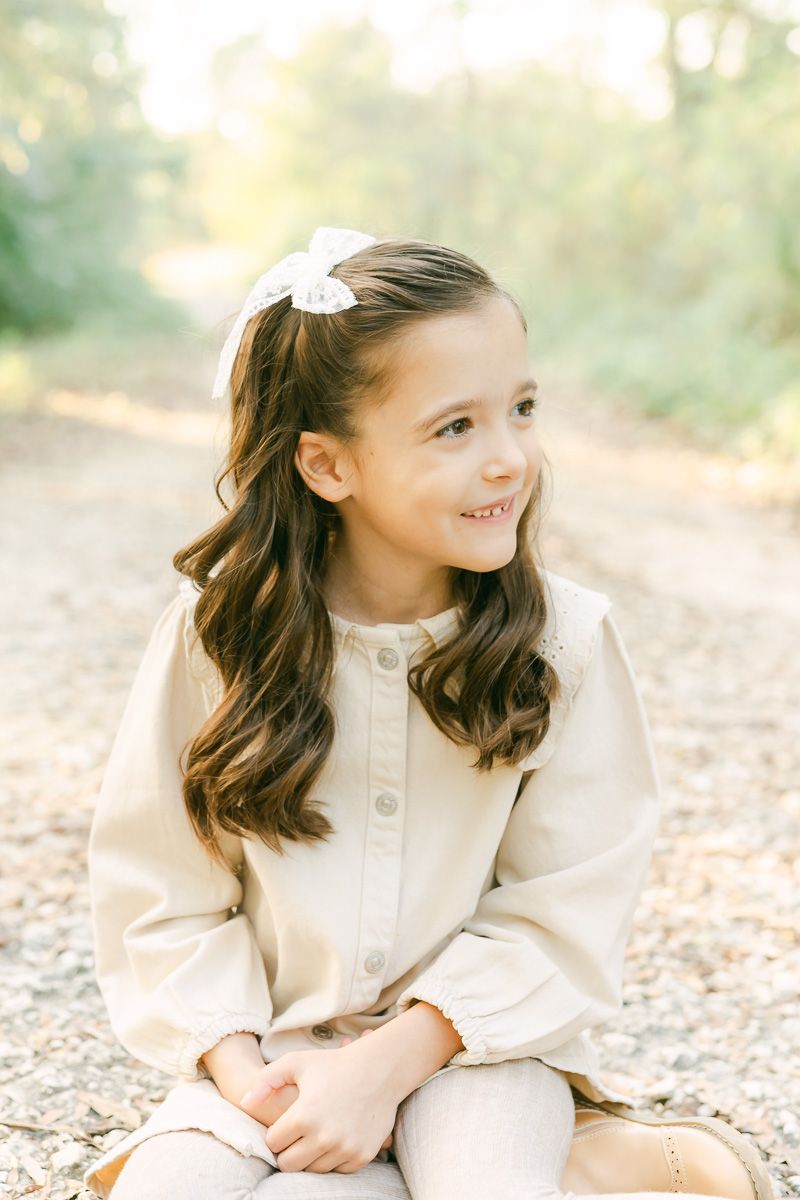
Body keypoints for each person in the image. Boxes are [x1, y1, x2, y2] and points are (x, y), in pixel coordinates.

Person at [82, 227, 773, 1200]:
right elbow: (159, 895)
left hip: (476, 1054)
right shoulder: (215, 638)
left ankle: (560, 1155)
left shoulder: (561, 646)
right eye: (456, 428)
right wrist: (258, 1082)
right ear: (327, 466)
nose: (508, 460)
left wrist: (383, 1067)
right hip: (269, 1061)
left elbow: (561, 911)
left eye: (520, 411)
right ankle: (591, 1176)